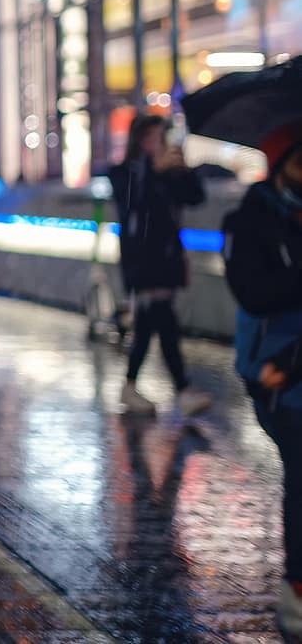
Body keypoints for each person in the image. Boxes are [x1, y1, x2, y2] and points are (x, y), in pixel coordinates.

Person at [227, 123, 302, 639]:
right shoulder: (248, 222)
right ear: (280, 166)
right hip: (276, 371)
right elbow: (255, 294)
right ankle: (297, 588)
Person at [110, 115, 212, 417]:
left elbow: (196, 197)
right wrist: (155, 172)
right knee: (163, 321)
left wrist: (184, 170)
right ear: (139, 139)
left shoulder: (168, 173)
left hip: (166, 259)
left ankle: (133, 386)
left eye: (162, 136)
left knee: (149, 324)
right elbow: (133, 204)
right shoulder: (125, 173)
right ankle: (181, 389)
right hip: (142, 262)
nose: (159, 143)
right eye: (153, 136)